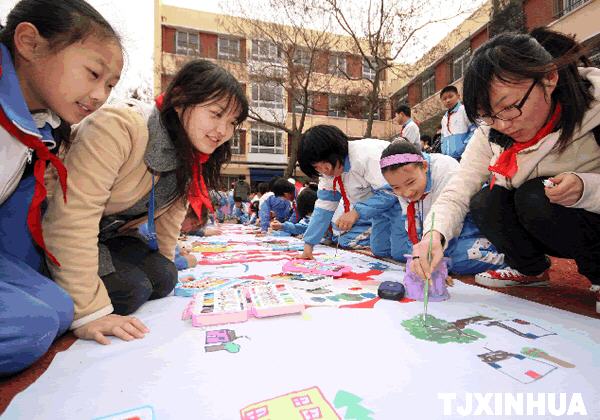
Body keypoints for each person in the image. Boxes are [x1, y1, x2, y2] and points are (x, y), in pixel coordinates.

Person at [42, 59, 248, 344]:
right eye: (215, 114)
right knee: (130, 289)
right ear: (179, 100)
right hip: (52, 233)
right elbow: (71, 216)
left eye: (232, 123)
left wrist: (166, 264)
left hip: (107, 236)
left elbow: (170, 219)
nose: (223, 131)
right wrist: (90, 312)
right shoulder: (119, 127)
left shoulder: (190, 156)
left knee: (164, 275)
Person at [409, 28, 600, 313]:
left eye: (509, 107)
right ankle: (530, 269)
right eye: (488, 115)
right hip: (547, 223)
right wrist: (433, 236)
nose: (503, 124)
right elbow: (459, 188)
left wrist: (587, 187)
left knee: (535, 195)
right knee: (485, 200)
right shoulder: (492, 132)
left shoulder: (594, 108)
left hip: (588, 219)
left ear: (549, 78)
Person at [0, 0, 122, 375]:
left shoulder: (42, 130)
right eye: (93, 73)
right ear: (30, 43)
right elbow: (74, 216)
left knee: (58, 307)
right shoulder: (117, 130)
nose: (100, 94)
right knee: (31, 325)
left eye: (110, 85)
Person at [379, 140, 505, 274]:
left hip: (466, 220)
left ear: (425, 166)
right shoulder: (403, 181)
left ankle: (510, 260)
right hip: (438, 229)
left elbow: (451, 213)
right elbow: (412, 219)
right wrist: (420, 252)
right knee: (415, 255)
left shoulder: (446, 169)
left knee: (454, 259)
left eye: (410, 182)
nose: (406, 193)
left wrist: (436, 258)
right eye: (396, 188)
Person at [297, 125, 402, 259]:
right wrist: (308, 246)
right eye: (317, 168)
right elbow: (323, 208)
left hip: (404, 202)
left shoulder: (367, 155)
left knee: (401, 252)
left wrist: (356, 212)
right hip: (379, 212)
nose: (324, 170)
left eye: (323, 163)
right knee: (381, 251)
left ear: (334, 151)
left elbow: (391, 191)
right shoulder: (328, 175)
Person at [439, 85, 476, 160]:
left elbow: (475, 129)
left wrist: (465, 147)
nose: (447, 100)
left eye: (450, 96)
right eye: (444, 99)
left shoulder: (465, 110)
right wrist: (444, 152)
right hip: (450, 159)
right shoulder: (444, 118)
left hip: (466, 156)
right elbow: (443, 137)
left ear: (458, 96)